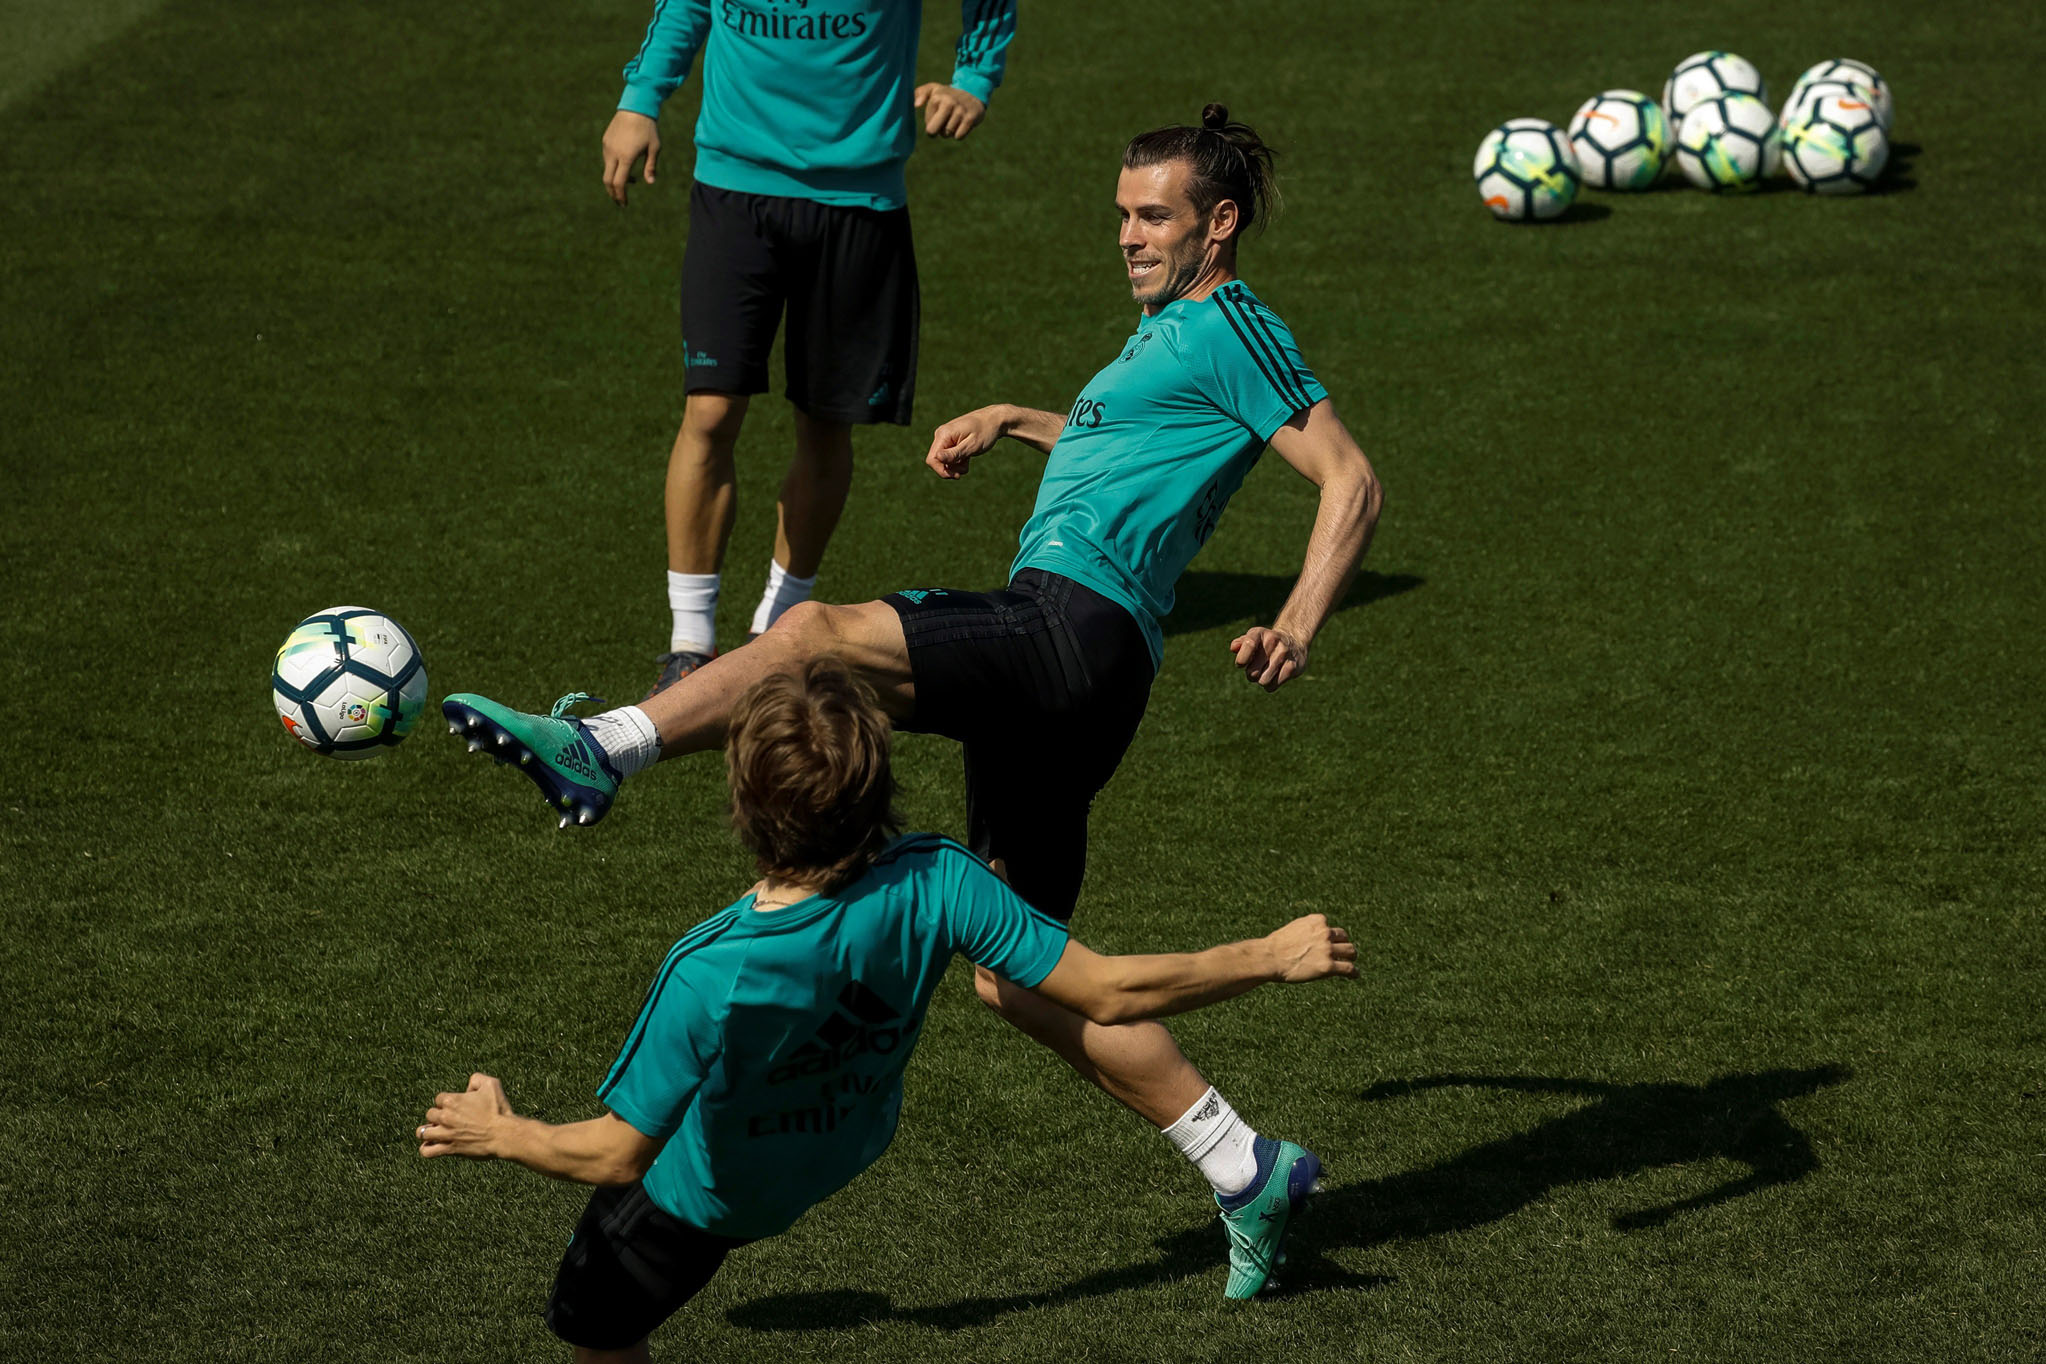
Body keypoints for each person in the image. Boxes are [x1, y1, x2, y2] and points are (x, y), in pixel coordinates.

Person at [444, 105, 1383, 1296]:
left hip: (1068, 628)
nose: (1129, 237)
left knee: (815, 634)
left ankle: (602, 747)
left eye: (1154, 217)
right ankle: (1241, 1159)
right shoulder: (1169, 339)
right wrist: (1020, 418)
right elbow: (1135, 445)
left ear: (1221, 222)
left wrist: (1294, 625)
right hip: (1088, 669)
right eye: (1121, 215)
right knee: (1018, 970)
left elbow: (1350, 479)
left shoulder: (1235, 324)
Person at [419, 659, 1358, 1358]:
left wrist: (503, 1131)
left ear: (745, 804)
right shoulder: (941, 878)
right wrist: (1269, 955)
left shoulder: (711, 969)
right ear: (877, 788)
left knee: (591, 1324)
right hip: (842, 1148)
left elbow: (616, 1153)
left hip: (704, 1203)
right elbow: (1109, 991)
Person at [601, 0, 1017, 696]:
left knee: (824, 425)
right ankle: (689, 645)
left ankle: (779, 632)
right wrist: (639, 100)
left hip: (859, 201)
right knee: (709, 413)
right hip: (733, 188)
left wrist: (973, 78)